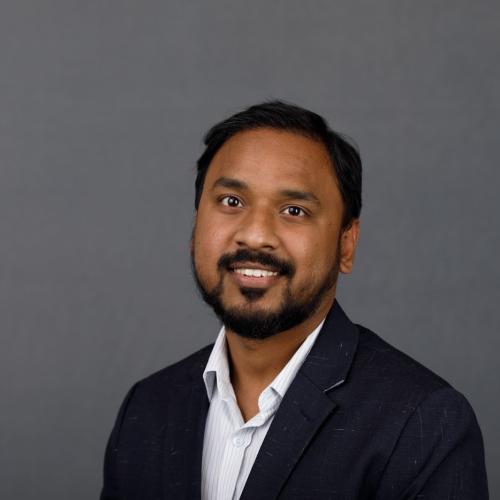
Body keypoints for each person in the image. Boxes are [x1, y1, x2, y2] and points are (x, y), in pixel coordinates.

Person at [100, 101, 489, 499]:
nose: (255, 235)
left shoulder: (423, 425)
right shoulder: (147, 409)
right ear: (196, 223)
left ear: (346, 244)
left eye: (294, 210)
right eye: (232, 202)